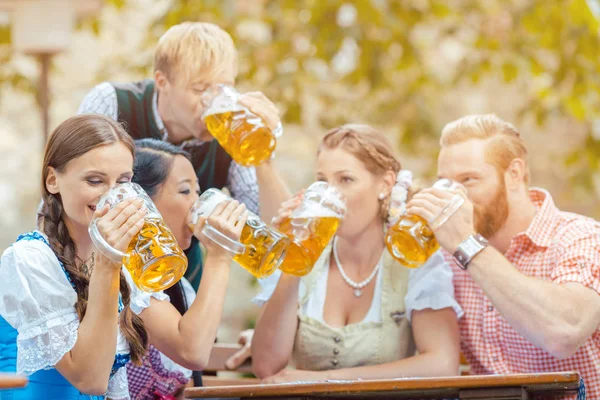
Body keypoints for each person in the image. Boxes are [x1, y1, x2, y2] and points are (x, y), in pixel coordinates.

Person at [77, 21, 288, 368]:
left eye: (225, 88)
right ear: (162, 82)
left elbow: (276, 230)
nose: (212, 102)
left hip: (182, 291)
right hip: (107, 287)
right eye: (200, 88)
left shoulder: (229, 134)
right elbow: (73, 193)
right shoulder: (114, 103)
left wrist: (262, 156)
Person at [0, 114, 247, 399]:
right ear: (53, 180)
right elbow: (91, 379)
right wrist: (108, 260)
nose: (112, 196)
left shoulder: (124, 259)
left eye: (124, 181)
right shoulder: (28, 258)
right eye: (95, 180)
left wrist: (220, 254)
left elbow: (192, 351)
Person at [407, 114, 599, 398]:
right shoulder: (445, 258)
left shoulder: (581, 236)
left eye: (468, 180)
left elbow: (565, 332)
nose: (455, 197)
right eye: (445, 183)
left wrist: (467, 245)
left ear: (514, 174)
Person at [251, 124, 463, 382]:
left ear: (385, 184)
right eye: (322, 181)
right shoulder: (305, 256)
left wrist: (324, 381)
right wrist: (294, 261)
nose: (331, 194)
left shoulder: (413, 254)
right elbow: (265, 367)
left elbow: (443, 363)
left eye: (345, 180)